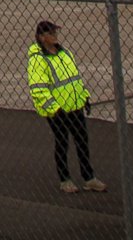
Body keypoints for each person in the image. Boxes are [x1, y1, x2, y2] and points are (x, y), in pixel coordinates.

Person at [27, 20, 105, 195]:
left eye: (55, 33)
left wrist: (84, 97)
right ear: (41, 37)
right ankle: (64, 179)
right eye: (51, 33)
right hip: (57, 110)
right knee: (62, 142)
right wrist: (53, 108)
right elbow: (38, 88)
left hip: (74, 105)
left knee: (82, 141)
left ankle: (89, 178)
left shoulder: (65, 53)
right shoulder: (38, 59)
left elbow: (75, 78)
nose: (55, 36)